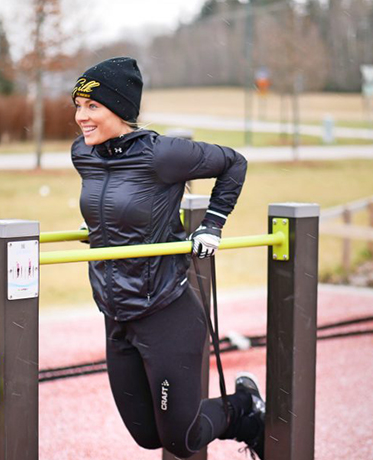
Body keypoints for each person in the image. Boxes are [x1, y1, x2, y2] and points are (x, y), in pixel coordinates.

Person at [70, 57, 265, 459]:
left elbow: (233, 163)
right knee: (146, 435)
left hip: (164, 312)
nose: (80, 117)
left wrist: (212, 223)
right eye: (78, 106)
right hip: (114, 312)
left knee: (181, 439)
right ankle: (240, 412)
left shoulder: (162, 155)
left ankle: (244, 408)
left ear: (121, 110)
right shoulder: (83, 155)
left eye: (92, 106)